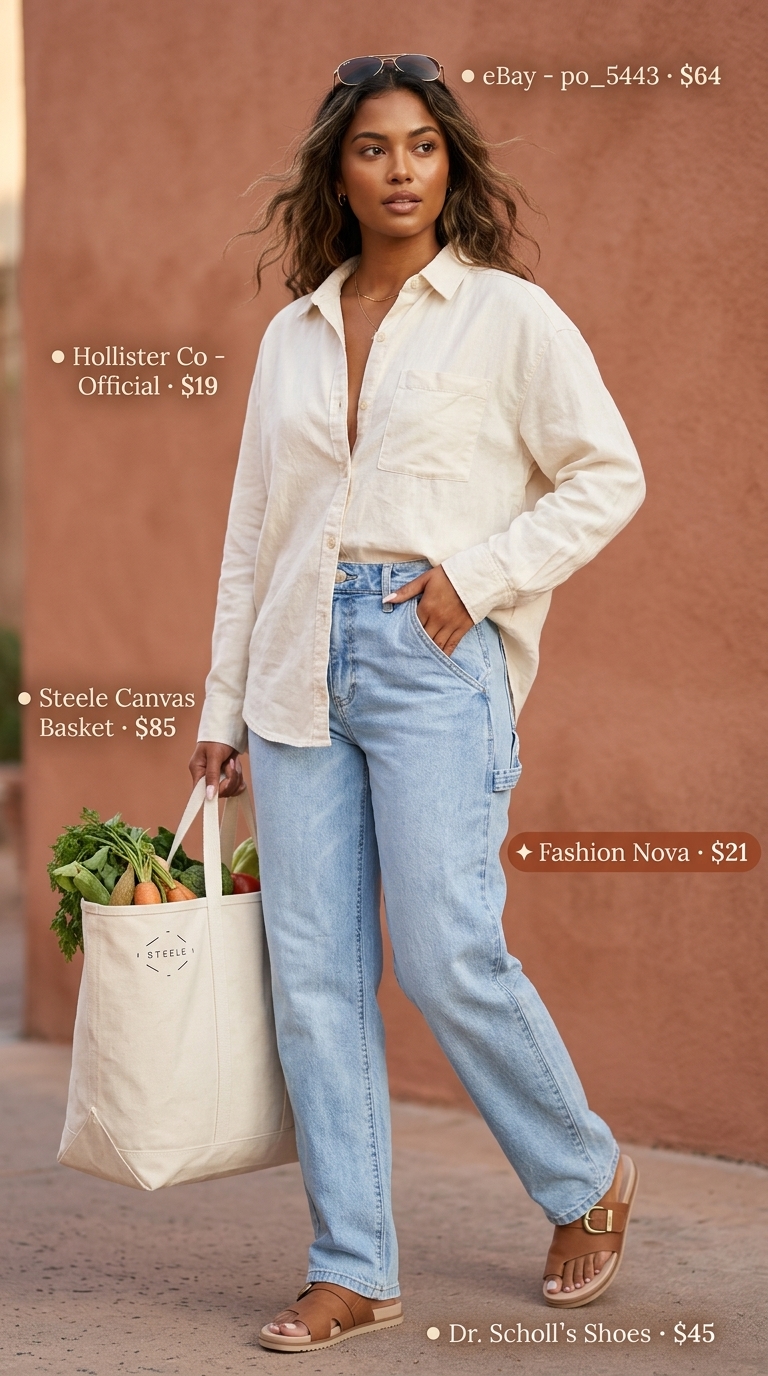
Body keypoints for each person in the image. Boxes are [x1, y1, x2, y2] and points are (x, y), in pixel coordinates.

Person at [190, 53, 645, 1354]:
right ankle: (354, 1266)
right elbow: (249, 533)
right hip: (290, 671)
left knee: (447, 950)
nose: (400, 170)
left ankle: (582, 1177)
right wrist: (221, 700)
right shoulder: (295, 332)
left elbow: (605, 476)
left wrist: (480, 579)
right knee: (315, 982)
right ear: (337, 168)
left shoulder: (508, 316)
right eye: (374, 148)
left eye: (423, 146)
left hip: (429, 647)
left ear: (453, 165)